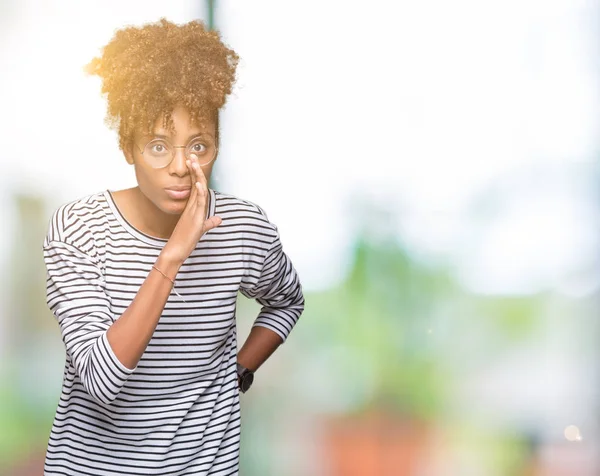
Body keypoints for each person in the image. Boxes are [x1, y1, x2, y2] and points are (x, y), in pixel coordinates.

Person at [42, 18, 304, 476]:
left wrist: (237, 371)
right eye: (159, 146)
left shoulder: (242, 227)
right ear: (128, 147)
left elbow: (287, 301)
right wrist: (173, 255)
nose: (182, 167)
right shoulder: (77, 228)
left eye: (198, 145)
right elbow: (103, 381)